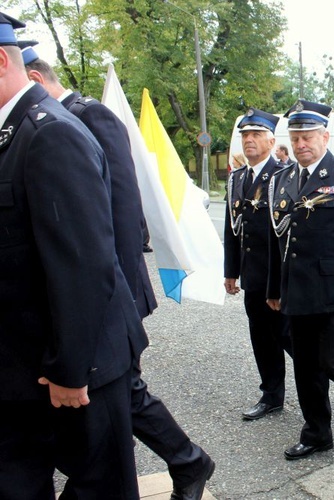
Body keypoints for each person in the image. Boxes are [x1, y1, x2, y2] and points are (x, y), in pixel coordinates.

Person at [21, 43, 216, 499]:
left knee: (119, 394)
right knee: (123, 396)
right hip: (96, 301)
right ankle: (187, 463)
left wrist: (116, 307)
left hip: (108, 297)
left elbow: (123, 213)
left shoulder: (87, 116)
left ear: (35, 79)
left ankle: (184, 464)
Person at [0, 13, 145, 498]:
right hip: (26, 357)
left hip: (76, 364)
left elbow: (84, 265)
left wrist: (69, 368)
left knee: (99, 486)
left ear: (2, 60)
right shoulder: (13, 133)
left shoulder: (48, 133)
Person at [267, 99, 334, 460]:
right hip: (297, 291)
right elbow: (277, 239)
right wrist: (275, 288)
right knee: (305, 367)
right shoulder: (282, 179)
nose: (302, 144)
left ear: (325, 136)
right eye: (296, 137)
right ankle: (317, 432)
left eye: (308, 137)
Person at [224, 108, 292, 421]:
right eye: (245, 135)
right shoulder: (238, 177)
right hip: (253, 276)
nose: (249, 140)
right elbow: (232, 227)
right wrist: (231, 271)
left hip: (278, 279)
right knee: (262, 339)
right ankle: (271, 395)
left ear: (271, 140)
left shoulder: (282, 176)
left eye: (255, 135)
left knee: (294, 341)